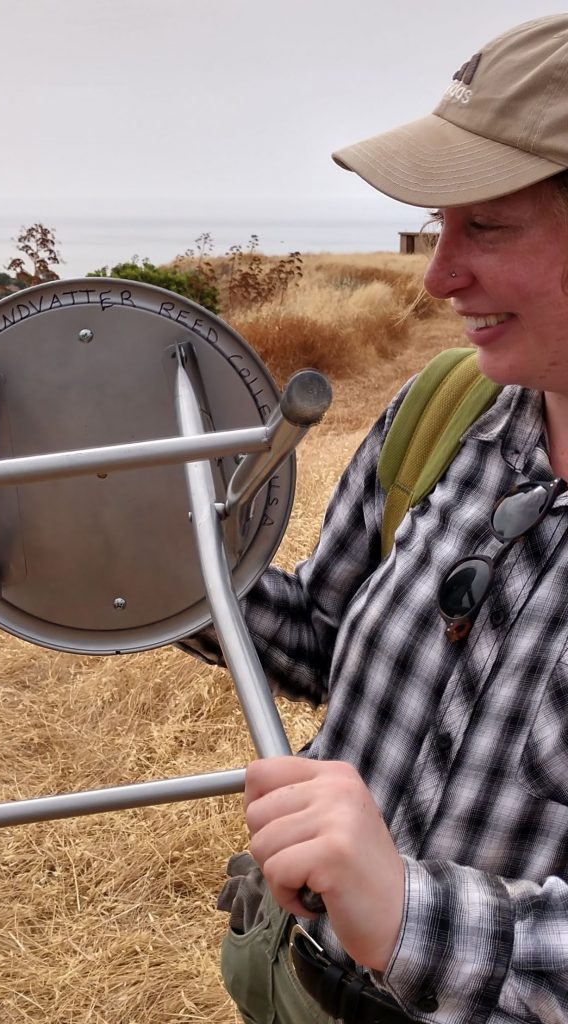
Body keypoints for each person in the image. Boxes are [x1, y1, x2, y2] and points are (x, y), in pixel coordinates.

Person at [195, 15, 568, 1024]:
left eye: (485, 227)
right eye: (439, 227)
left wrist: (409, 912)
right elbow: (326, 636)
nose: (439, 278)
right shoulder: (444, 413)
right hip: (295, 980)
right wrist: (146, 558)